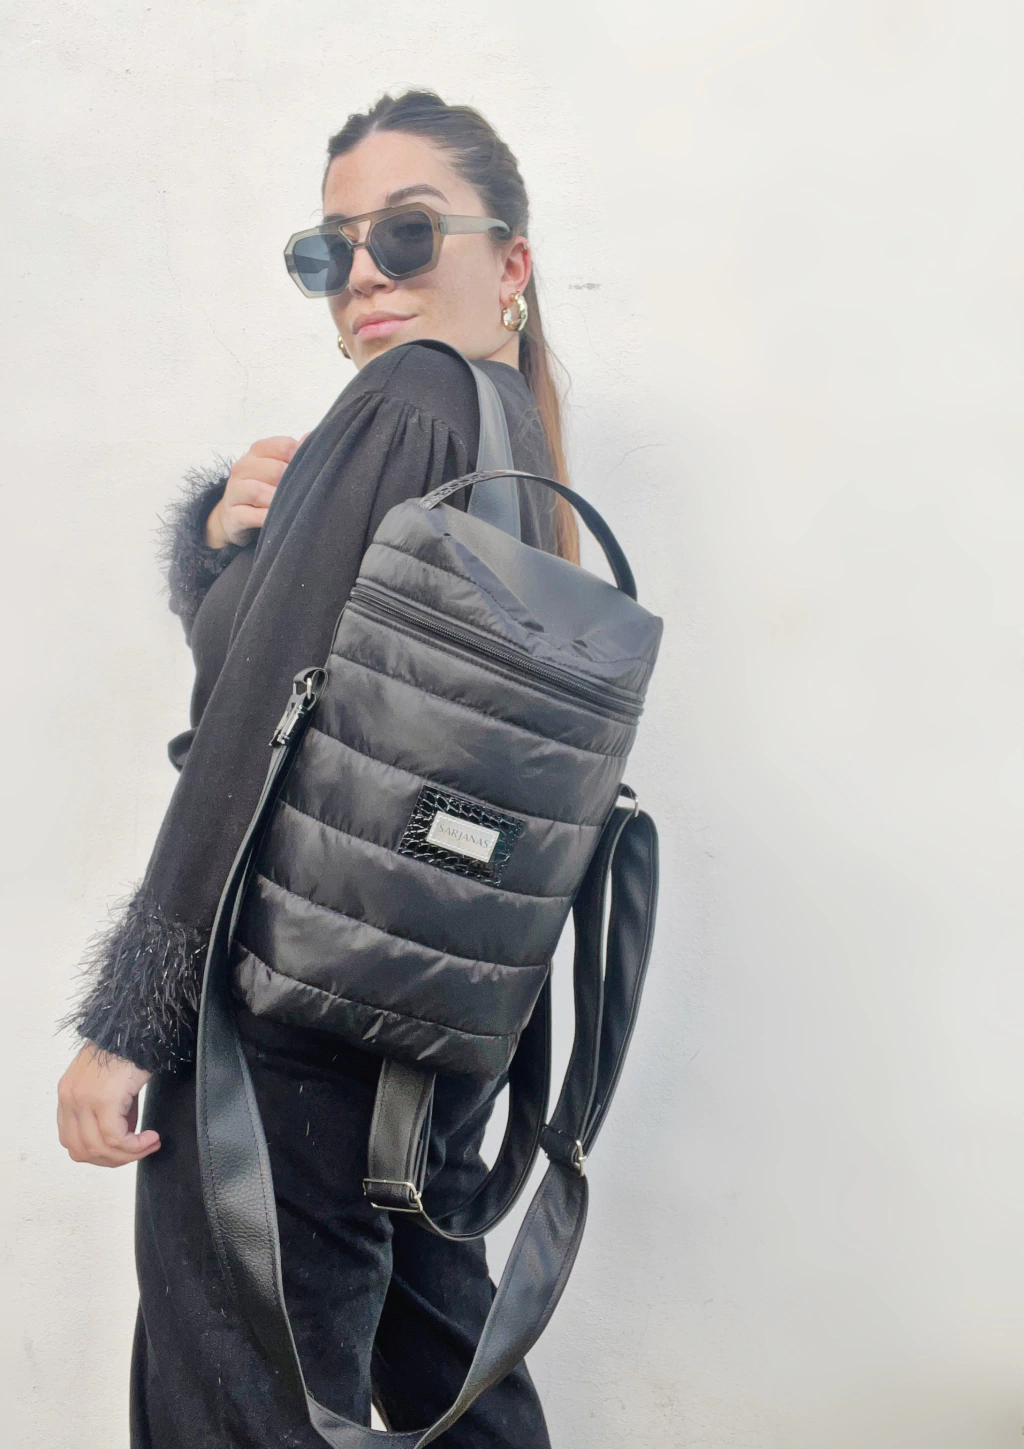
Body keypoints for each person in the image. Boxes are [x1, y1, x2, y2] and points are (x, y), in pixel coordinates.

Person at [56, 89, 581, 1448]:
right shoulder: (513, 443)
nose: (362, 275)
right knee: (450, 1388)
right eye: (327, 248)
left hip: (288, 1018)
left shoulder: (406, 397)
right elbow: (337, 685)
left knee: (236, 1410)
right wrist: (234, 544)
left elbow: (258, 720)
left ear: (510, 261)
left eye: (406, 233)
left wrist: (135, 1015)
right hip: (429, 1016)